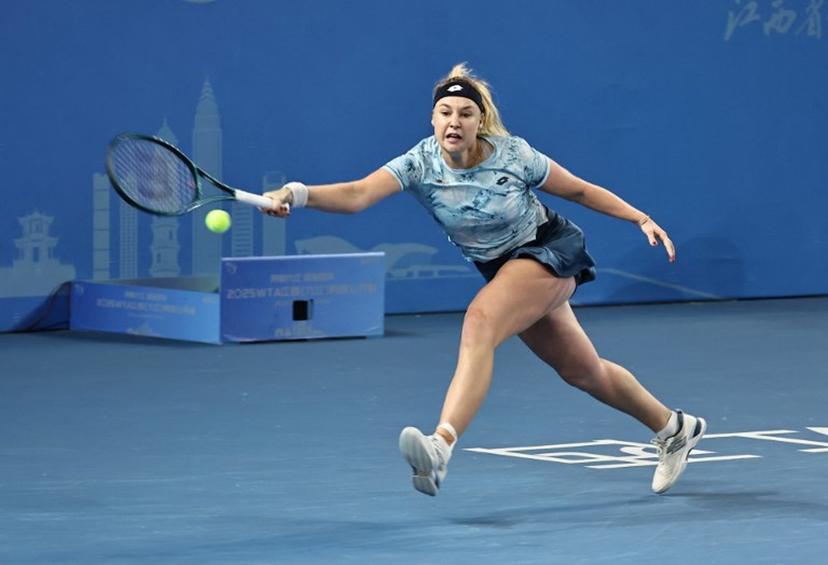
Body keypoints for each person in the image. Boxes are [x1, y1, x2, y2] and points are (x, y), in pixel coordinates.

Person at [263, 63, 706, 497]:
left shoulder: (513, 155)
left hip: (549, 248)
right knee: (584, 372)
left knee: (479, 321)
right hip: (505, 269)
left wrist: (640, 218)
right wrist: (297, 194)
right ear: (433, 118)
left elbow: (578, 190)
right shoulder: (420, 163)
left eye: (465, 114)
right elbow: (358, 194)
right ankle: (675, 428)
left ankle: (441, 446)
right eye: (445, 113)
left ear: (480, 121)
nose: (453, 122)